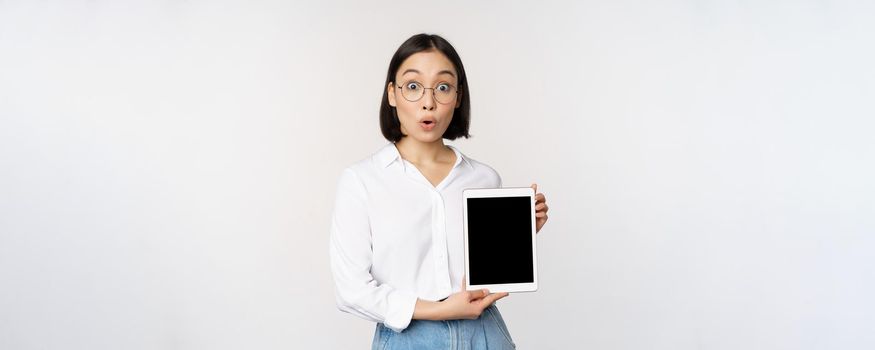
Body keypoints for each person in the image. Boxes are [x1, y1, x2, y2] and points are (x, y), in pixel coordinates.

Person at [329, 33, 550, 350]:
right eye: (413, 86)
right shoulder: (362, 180)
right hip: (409, 338)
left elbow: (483, 275)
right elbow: (351, 291)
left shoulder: (484, 179)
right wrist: (439, 310)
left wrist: (519, 235)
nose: (428, 102)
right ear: (392, 94)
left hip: (485, 334)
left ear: (458, 97)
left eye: (443, 87)